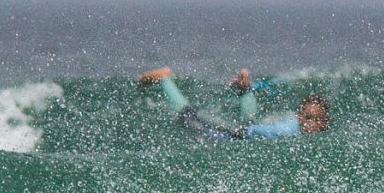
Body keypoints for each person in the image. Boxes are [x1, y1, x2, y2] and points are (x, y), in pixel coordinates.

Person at [137, 66, 330, 140]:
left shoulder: (298, 130)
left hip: (249, 131)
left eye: (315, 119)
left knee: (250, 118)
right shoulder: (290, 132)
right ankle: (164, 79)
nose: (309, 122)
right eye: (306, 117)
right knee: (187, 118)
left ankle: (245, 88)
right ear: (299, 115)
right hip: (240, 135)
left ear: (324, 122)